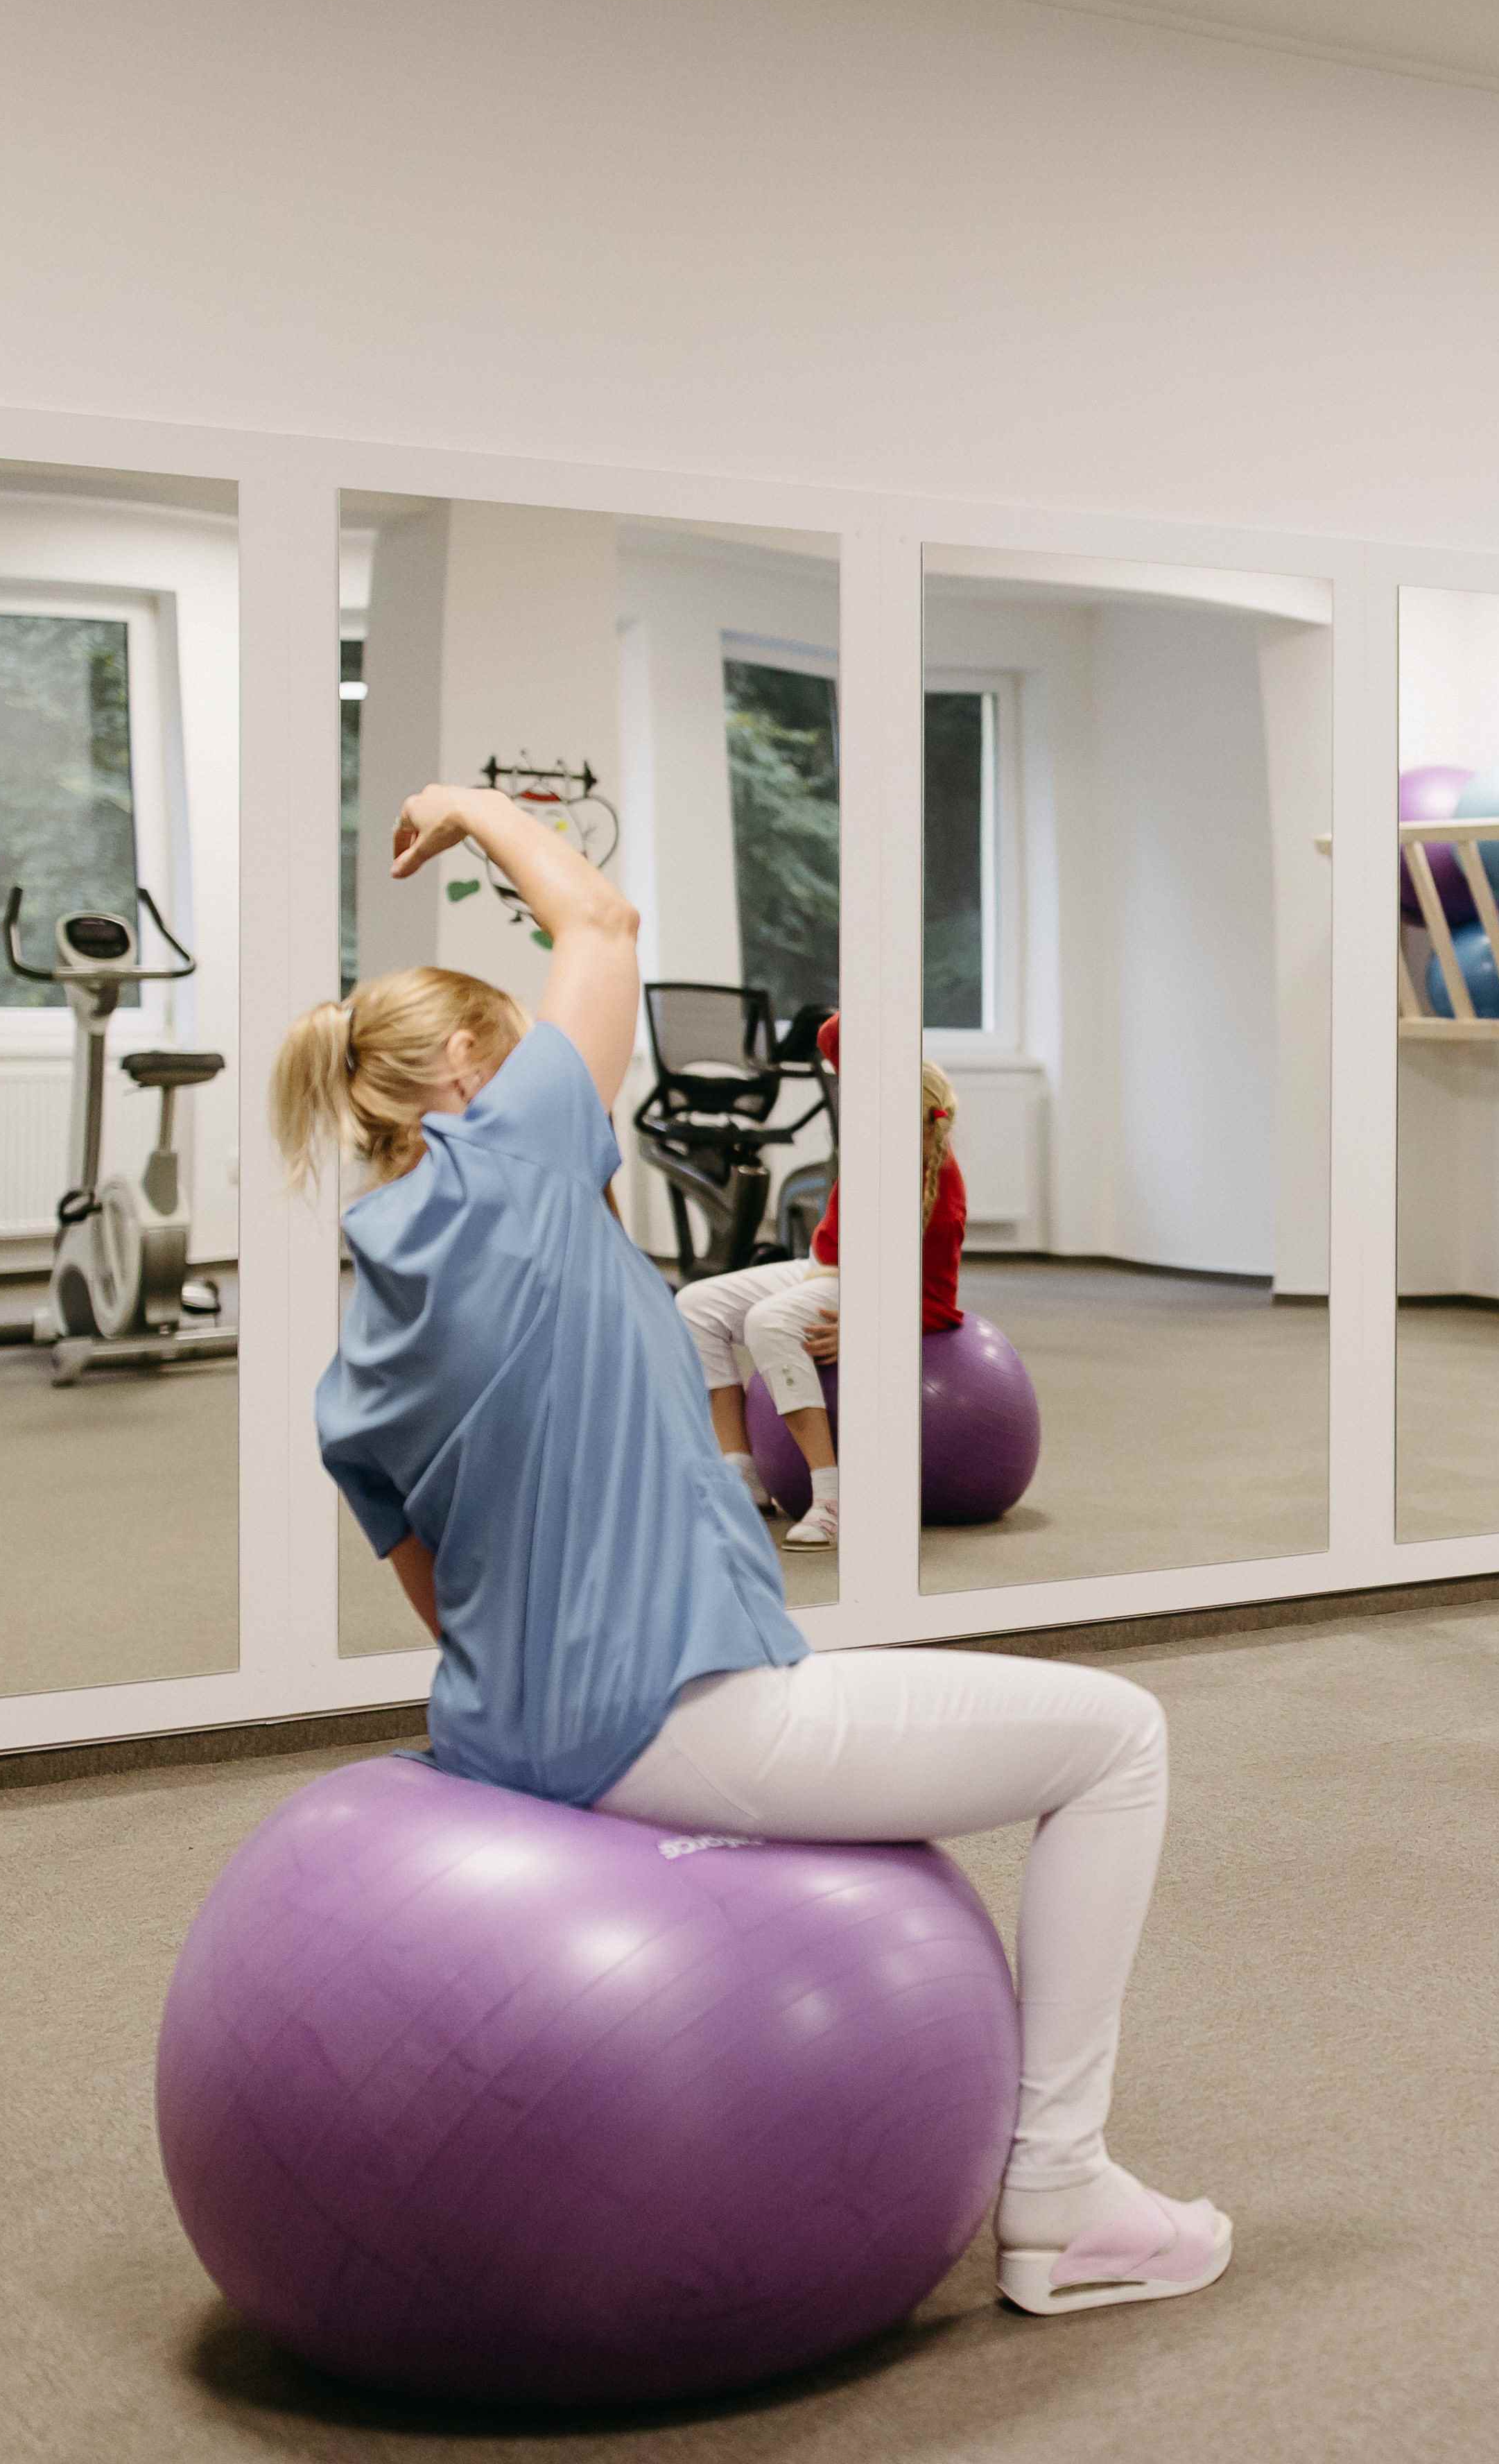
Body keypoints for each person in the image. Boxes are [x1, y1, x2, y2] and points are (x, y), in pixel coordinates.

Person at [272, 783, 1225, 2316]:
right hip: (682, 1720)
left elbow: (454, 1609)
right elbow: (599, 919)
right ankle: (1064, 2192)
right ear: (465, 1073)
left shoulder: (360, 1350)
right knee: (1119, 1738)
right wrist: (470, 808)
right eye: (529, 1054)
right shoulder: (512, 1166)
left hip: (514, 1738)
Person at [673, 1015, 966, 1551]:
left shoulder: (940, 1196)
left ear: (929, 1128)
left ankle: (831, 1497)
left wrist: (869, 1327)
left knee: (769, 1322)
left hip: (876, 1288)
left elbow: (938, 1301)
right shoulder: (877, 1112)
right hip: (826, 1266)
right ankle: (741, 1472)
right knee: (694, 1304)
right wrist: (876, 1006)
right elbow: (832, 1035)